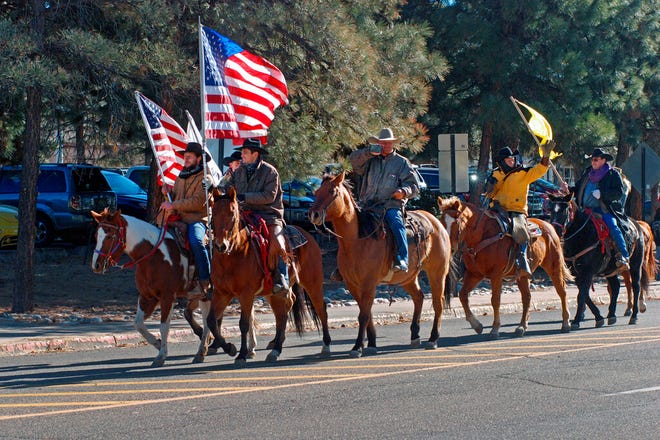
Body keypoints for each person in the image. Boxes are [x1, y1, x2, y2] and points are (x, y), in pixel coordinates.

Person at [349, 127, 419, 272]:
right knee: (348, 225)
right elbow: (353, 162)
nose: (386, 145)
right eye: (382, 143)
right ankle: (345, 263)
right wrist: (368, 152)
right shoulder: (370, 160)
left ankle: (402, 259)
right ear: (378, 143)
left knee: (396, 222)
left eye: (388, 143)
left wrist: (403, 191)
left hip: (390, 204)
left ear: (393, 144)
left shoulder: (402, 163)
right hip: (366, 204)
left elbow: (413, 186)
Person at [226, 138, 289, 294]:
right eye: (242, 152)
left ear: (255, 154)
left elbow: (269, 196)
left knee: (277, 242)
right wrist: (212, 185)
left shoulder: (270, 172)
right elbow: (227, 188)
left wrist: (244, 197)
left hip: (269, 215)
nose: (242, 155)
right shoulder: (238, 171)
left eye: (245, 152)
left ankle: (282, 277)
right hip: (244, 214)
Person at [486, 143, 552, 277]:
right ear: (501, 162)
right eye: (508, 160)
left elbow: (540, 169)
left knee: (520, 231)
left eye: (513, 159)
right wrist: (489, 187)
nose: (512, 162)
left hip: (517, 211)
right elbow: (490, 194)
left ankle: (522, 258)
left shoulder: (524, 173)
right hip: (497, 209)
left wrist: (545, 156)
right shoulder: (495, 174)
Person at [563, 148, 629, 269]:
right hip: (583, 210)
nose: (593, 162)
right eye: (592, 160)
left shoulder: (612, 174)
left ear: (604, 160)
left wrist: (602, 194)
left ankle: (624, 256)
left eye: (596, 160)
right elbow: (577, 189)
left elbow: (618, 193)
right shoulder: (587, 173)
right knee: (568, 226)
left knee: (613, 227)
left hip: (603, 210)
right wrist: (568, 188)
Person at [159, 142, 212, 295]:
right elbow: (174, 197)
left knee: (196, 241)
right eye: (185, 156)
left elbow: (198, 202)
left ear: (199, 159)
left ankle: (205, 279)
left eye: (189, 157)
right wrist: (166, 192)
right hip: (178, 218)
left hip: (197, 219)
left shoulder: (206, 179)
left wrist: (173, 204)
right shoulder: (181, 176)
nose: (186, 159)